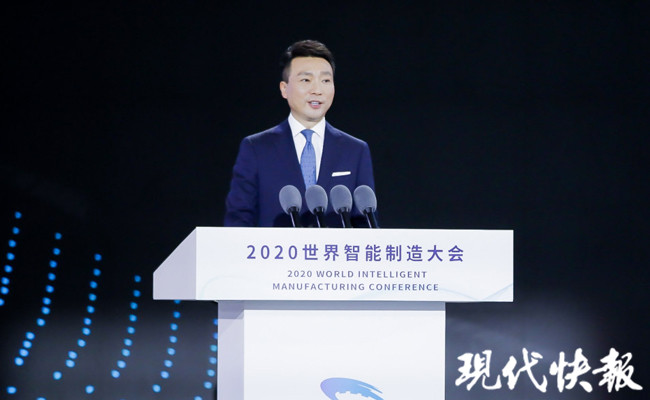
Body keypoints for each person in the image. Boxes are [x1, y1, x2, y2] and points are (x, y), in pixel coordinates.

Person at [224, 39, 376, 227]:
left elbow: (366, 223)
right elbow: (238, 221)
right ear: (284, 89)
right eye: (306, 80)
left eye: (326, 81)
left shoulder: (355, 150)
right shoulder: (256, 148)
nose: (317, 90)